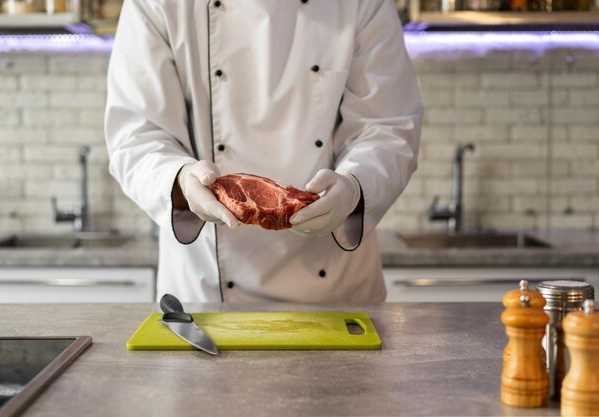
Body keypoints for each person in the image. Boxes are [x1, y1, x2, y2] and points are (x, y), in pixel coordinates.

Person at [105, 0, 422, 303]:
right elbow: (137, 134)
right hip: (207, 293)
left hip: (335, 293)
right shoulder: (156, 3)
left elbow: (386, 124)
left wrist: (355, 187)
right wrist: (180, 182)